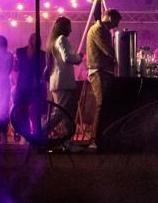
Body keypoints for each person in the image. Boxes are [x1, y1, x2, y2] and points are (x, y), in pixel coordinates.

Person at [85, 8, 122, 141]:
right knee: (102, 103)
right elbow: (107, 49)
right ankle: (96, 139)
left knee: (104, 103)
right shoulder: (98, 30)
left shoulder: (102, 30)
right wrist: (121, 57)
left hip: (102, 71)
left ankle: (100, 137)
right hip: (98, 71)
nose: (116, 25)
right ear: (110, 18)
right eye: (116, 21)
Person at [47, 16, 84, 140]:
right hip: (63, 82)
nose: (71, 30)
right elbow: (67, 58)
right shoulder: (62, 39)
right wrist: (79, 57)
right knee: (61, 113)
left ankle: (67, 142)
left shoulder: (54, 41)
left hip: (58, 82)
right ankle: (41, 131)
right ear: (64, 27)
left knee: (65, 114)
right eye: (69, 27)